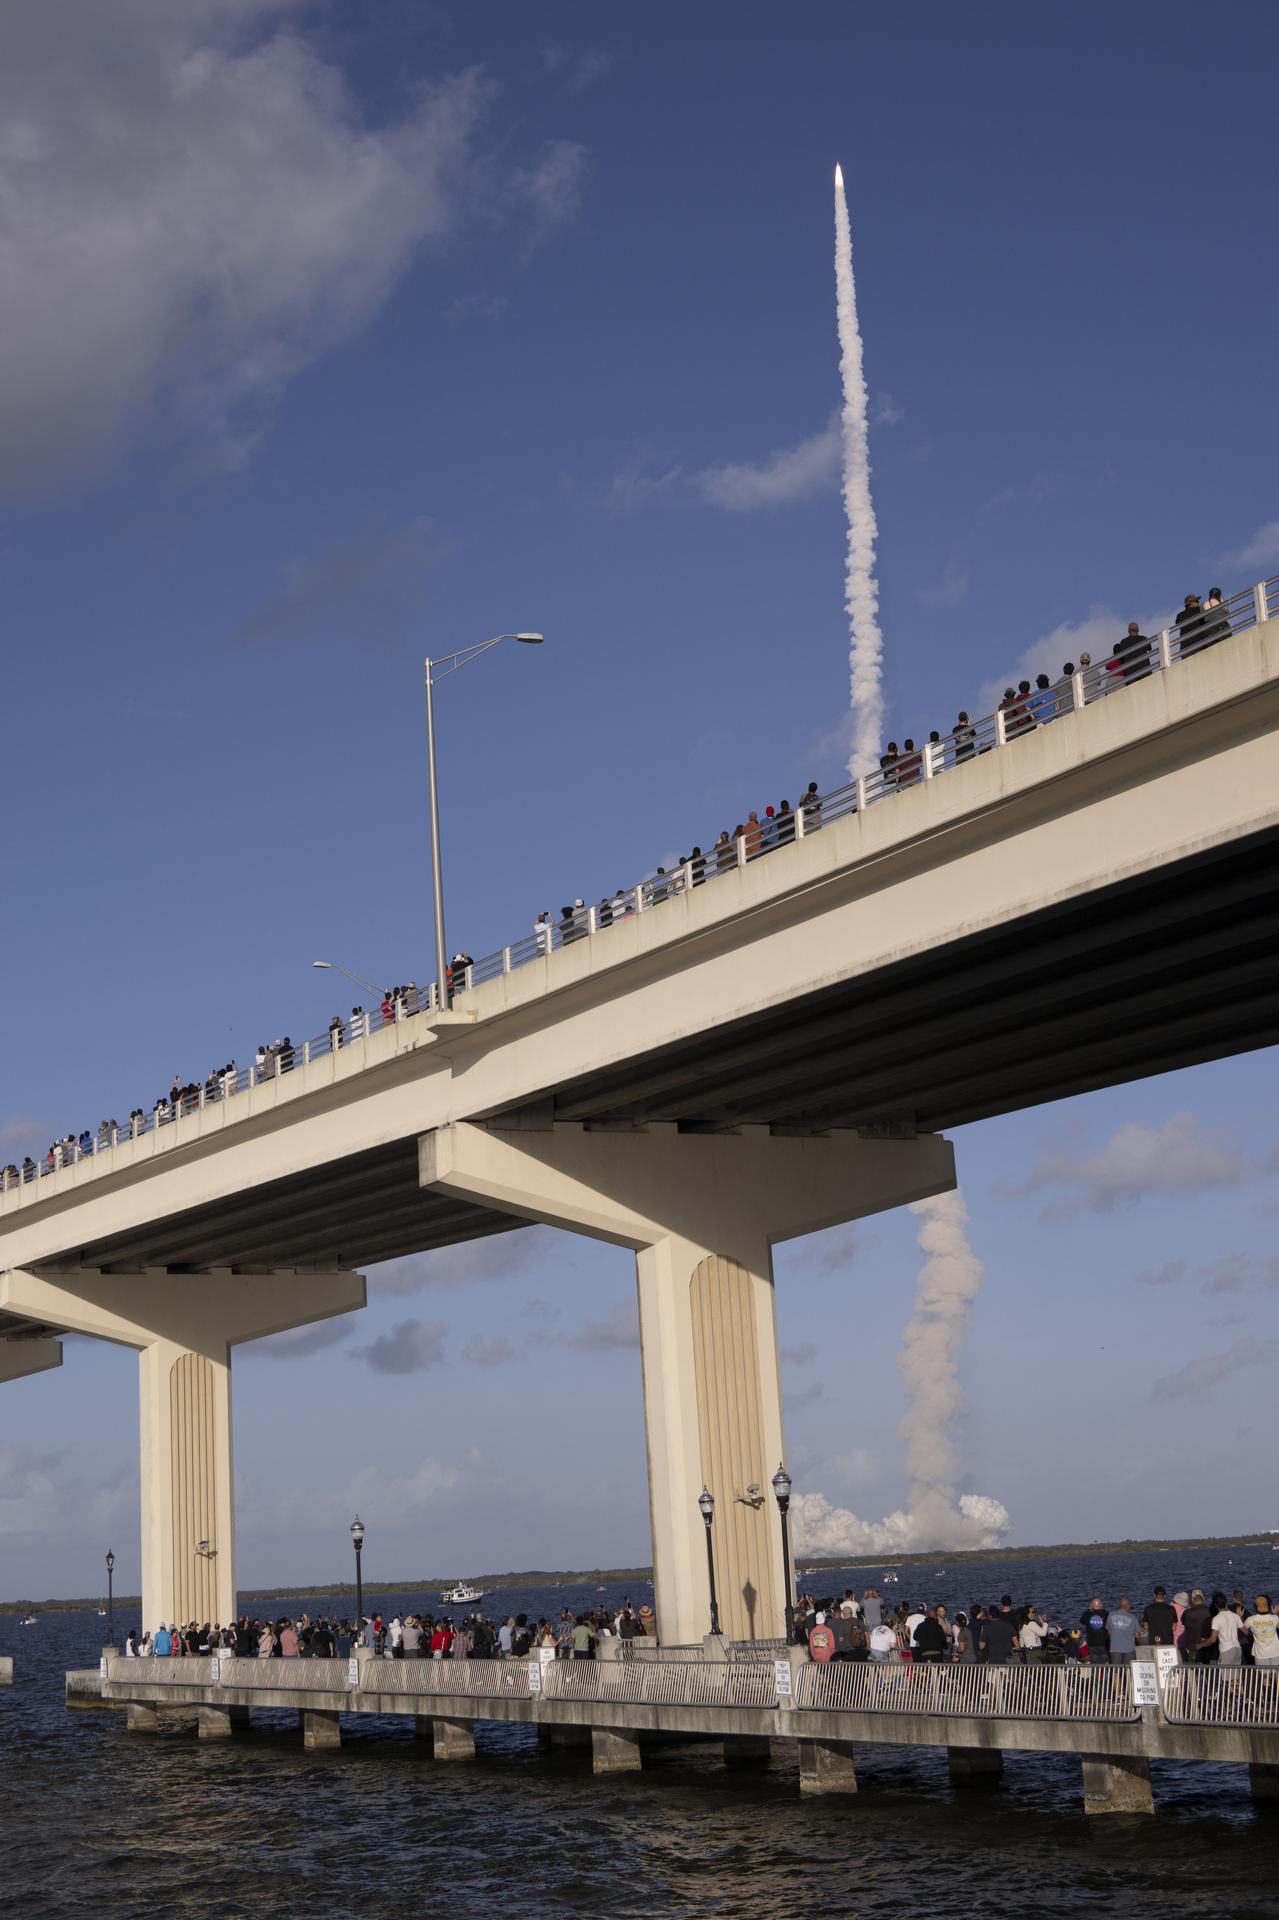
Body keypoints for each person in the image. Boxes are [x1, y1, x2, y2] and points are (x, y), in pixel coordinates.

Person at [1105, 1596, 1139, 1667]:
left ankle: (1116, 1678)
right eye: (1130, 1605)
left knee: (1116, 1671)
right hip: (1129, 1649)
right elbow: (1137, 1635)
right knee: (1129, 1670)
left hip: (1115, 1648)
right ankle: (1128, 1678)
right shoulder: (1133, 1617)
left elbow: (1108, 1631)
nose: (1130, 1606)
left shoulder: (1111, 1615)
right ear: (1127, 1605)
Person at [1245, 1595, 1279, 1667]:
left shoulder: (1250, 1620)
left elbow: (1243, 1629)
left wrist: (1239, 1616)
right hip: (1275, 1652)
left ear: (1256, 1607)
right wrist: (1275, 1613)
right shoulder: (1275, 1618)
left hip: (1260, 1654)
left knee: (1264, 1676)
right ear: (1268, 1605)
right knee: (1277, 1673)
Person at [1080, 1597, 1109, 1664]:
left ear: (1092, 1606)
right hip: (1104, 1643)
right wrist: (1102, 1608)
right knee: (1106, 1665)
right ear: (1101, 1605)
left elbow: (1082, 1620)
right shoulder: (1105, 1614)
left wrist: (1089, 1609)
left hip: (1092, 1644)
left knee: (1095, 1666)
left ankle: (1096, 1674)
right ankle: (1106, 1674)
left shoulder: (1087, 1614)